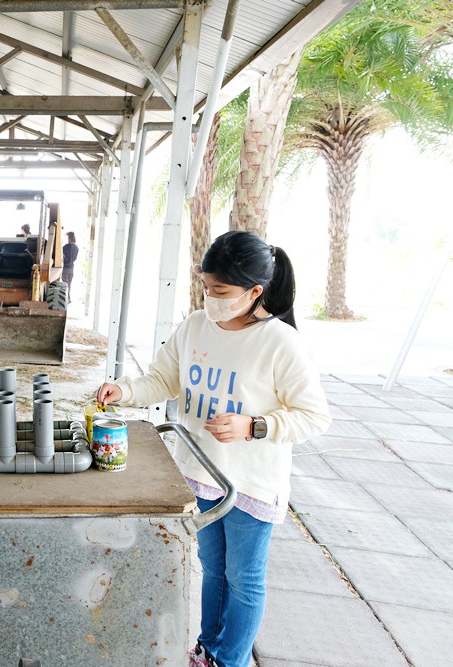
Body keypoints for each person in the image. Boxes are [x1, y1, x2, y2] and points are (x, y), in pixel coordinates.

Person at [96, 230, 330, 667]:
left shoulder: (280, 343)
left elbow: (314, 416)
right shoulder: (195, 327)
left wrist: (254, 425)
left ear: (255, 291)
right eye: (205, 287)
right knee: (213, 569)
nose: (210, 298)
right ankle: (208, 648)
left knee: (244, 579)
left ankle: (229, 659)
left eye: (220, 291)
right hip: (202, 474)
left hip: (250, 483)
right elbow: (164, 381)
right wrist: (123, 390)